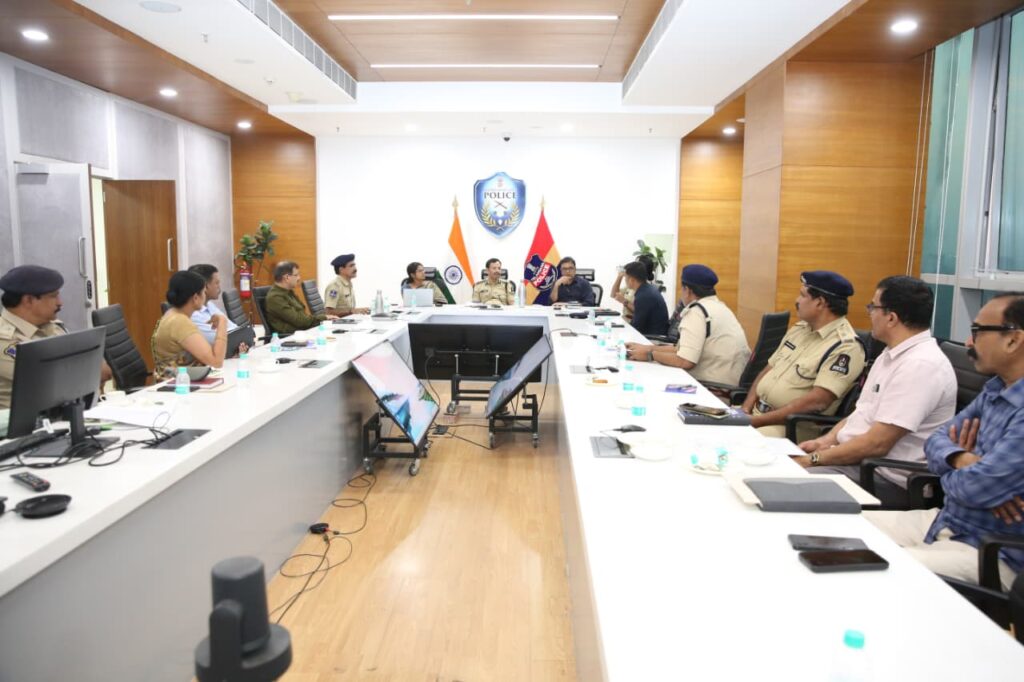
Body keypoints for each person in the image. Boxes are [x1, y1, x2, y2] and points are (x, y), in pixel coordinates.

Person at [865, 292, 1024, 589]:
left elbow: (977, 488)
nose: (968, 342)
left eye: (977, 331)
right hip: (946, 520)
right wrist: (961, 458)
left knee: (874, 570)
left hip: (992, 551)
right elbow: (935, 442)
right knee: (845, 528)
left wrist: (964, 477)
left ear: (1013, 340)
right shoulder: (995, 389)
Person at [793, 276, 957, 507]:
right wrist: (825, 441)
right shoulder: (890, 355)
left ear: (891, 317)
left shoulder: (921, 366)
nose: (869, 313)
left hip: (885, 479)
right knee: (776, 473)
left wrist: (814, 459)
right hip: (857, 464)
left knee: (785, 485)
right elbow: (863, 412)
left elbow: (877, 444)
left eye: (873, 307)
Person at [741, 271, 865, 438]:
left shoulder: (845, 347)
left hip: (791, 427)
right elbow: (769, 370)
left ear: (820, 302)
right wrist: (745, 409)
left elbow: (817, 401)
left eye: (802, 295)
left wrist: (756, 421)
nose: (797, 300)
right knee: (711, 427)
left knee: (735, 442)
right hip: (758, 415)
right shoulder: (800, 329)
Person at [0, 265, 113, 408]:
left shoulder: (52, 326)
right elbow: (52, 385)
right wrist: (89, 373)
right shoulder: (4, 339)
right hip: (26, 421)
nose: (60, 302)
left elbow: (103, 371)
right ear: (28, 300)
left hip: (66, 413)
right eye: (53, 296)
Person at [624, 264, 749, 385]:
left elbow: (685, 361)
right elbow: (681, 350)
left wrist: (650, 355)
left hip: (713, 386)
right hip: (730, 380)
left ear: (687, 290)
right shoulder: (719, 307)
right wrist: (648, 348)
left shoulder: (697, 312)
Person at [151, 270, 227, 378]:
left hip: (178, 378)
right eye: (203, 292)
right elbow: (216, 362)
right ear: (195, 298)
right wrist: (222, 322)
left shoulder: (172, 314)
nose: (205, 296)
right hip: (178, 383)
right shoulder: (180, 322)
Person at [266, 261, 334, 334]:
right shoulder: (276, 298)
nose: (299, 278)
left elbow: (303, 316)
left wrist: (324, 318)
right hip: (293, 336)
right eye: (296, 275)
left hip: (303, 331)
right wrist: (323, 317)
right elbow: (300, 321)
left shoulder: (288, 292)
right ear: (287, 277)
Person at [187, 264, 239, 344]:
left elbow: (235, 329)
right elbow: (217, 340)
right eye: (216, 283)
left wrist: (240, 339)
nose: (219, 287)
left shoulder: (209, 305)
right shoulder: (193, 315)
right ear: (205, 286)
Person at [624, 261, 668, 337]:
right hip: (652, 334)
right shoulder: (646, 289)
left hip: (652, 338)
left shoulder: (643, 296)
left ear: (632, 280)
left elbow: (636, 327)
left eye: (625, 277)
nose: (625, 280)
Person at [611, 253, 656, 322]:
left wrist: (624, 301)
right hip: (627, 320)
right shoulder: (633, 285)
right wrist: (620, 276)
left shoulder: (645, 290)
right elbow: (614, 295)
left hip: (632, 322)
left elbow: (640, 312)